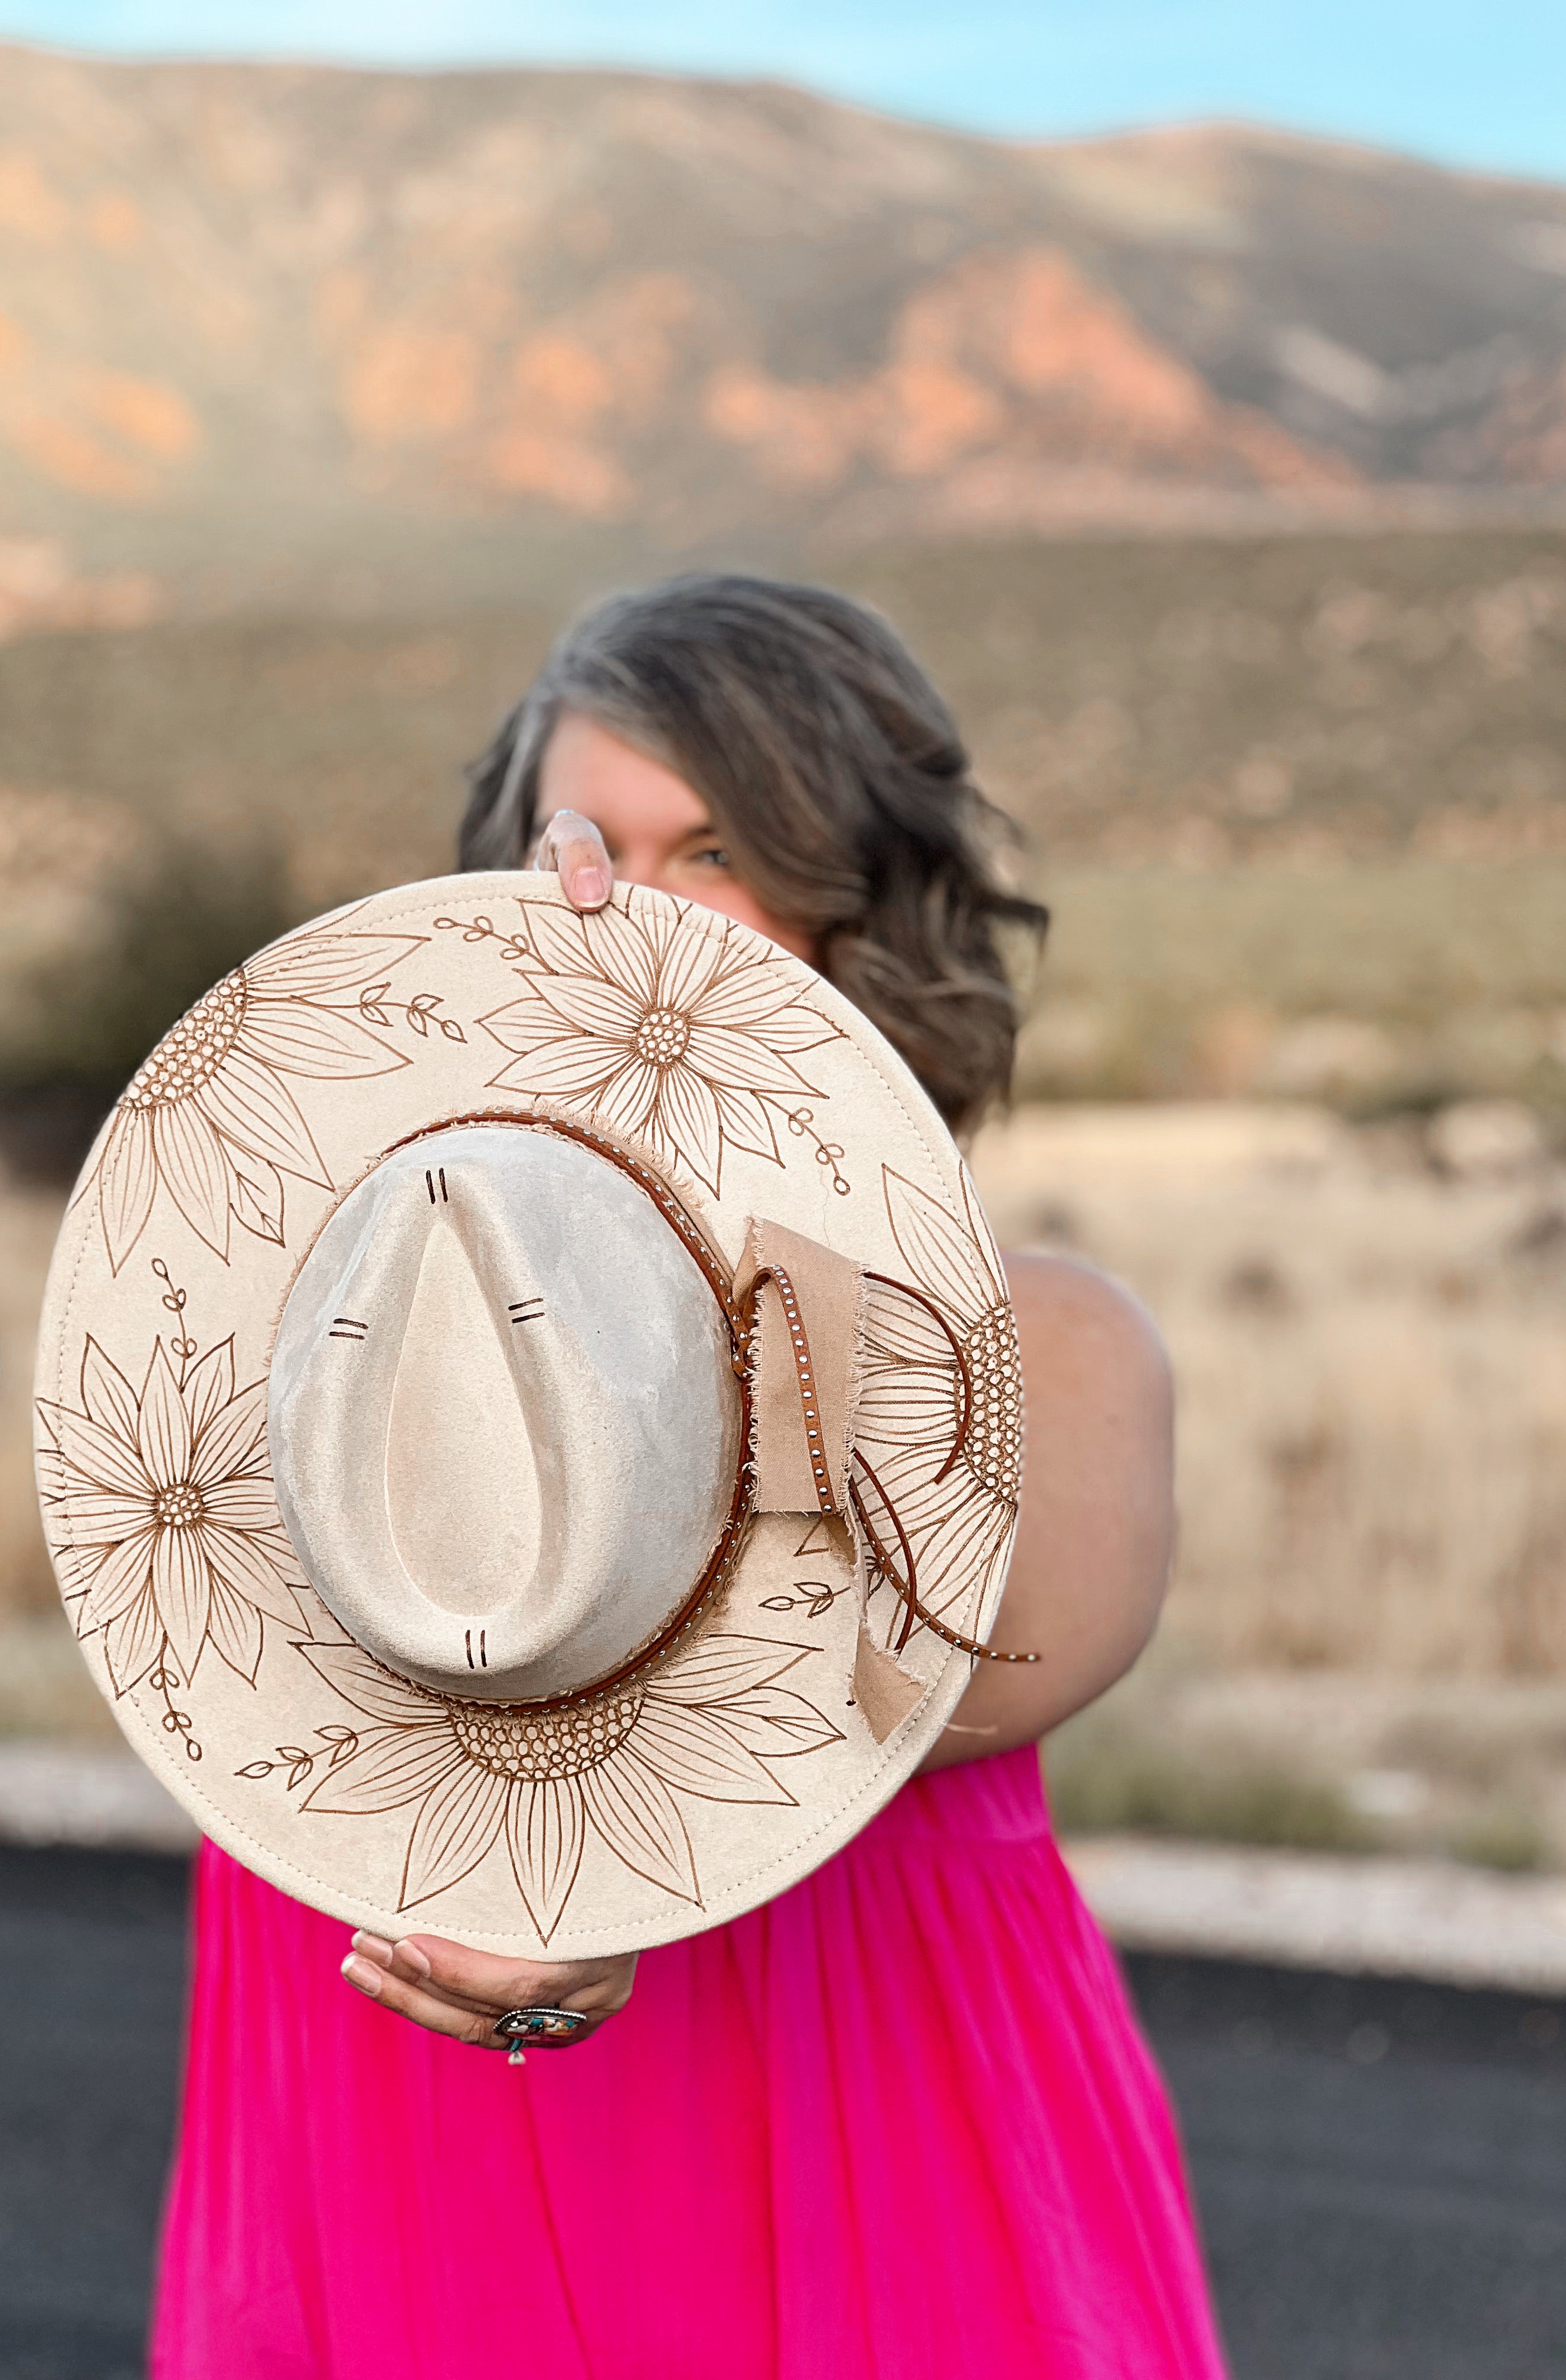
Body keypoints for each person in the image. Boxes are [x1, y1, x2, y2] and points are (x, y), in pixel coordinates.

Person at [152, 574, 1227, 2378]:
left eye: (712, 850)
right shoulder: (328, 1339)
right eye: (584, 843)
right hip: (390, 2202)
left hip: (875, 2217)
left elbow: (892, 1685)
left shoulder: (1045, 1345)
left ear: (849, 913)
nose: (632, 908)